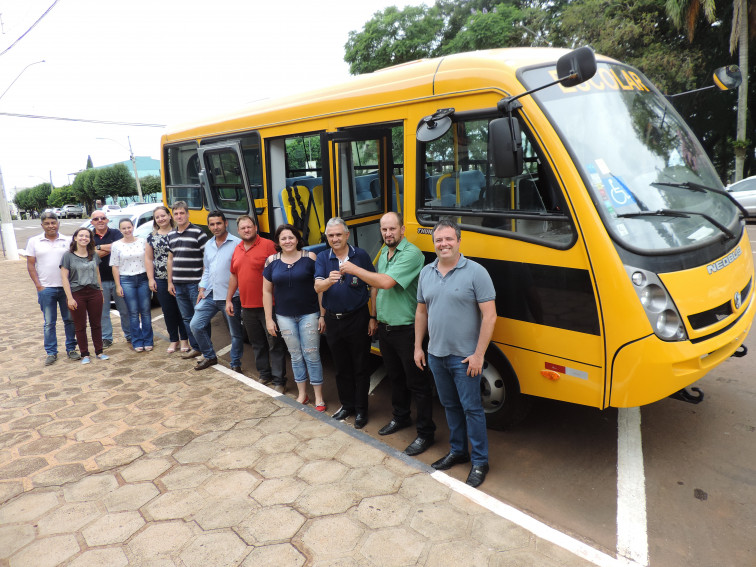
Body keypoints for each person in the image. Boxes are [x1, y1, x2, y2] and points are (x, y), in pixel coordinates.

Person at [340, 212, 435, 454]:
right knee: (396, 378)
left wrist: (353, 269)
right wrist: (373, 317)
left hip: (407, 329)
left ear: (402, 230)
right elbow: (375, 287)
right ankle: (401, 416)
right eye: (384, 230)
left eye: (392, 229)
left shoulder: (412, 254)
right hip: (385, 327)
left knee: (418, 383)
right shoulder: (385, 252)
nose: (388, 234)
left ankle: (426, 433)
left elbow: (385, 283)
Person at [414, 219, 497, 488]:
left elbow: (490, 316)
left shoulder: (476, 272)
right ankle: (458, 451)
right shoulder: (427, 273)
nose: (443, 244)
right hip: (436, 355)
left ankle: (480, 461)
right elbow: (421, 311)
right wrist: (418, 346)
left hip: (465, 359)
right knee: (450, 406)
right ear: (434, 243)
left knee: (472, 409)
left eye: (449, 239)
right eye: (439, 240)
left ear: (459, 241)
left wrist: (478, 354)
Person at [314, 217, 375, 429]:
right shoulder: (323, 257)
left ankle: (361, 410)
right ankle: (347, 405)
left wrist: (373, 317)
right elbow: (317, 288)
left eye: (339, 234)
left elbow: (373, 285)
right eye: (330, 235)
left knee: (360, 366)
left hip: (358, 318)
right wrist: (327, 282)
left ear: (347, 235)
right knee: (341, 367)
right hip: (333, 320)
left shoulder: (361, 256)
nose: (335, 239)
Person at [263, 224, 326, 409]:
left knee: (312, 355)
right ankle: (302, 394)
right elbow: (266, 291)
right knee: (296, 356)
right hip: (284, 317)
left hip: (309, 314)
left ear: (297, 239)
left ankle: (319, 397)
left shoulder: (310, 258)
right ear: (278, 242)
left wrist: (322, 314)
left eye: (291, 237)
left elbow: (320, 288)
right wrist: (269, 319)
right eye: (283, 238)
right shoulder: (271, 261)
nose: (287, 241)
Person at [226, 215, 287, 392]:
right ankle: (264, 374)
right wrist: (229, 299)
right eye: (243, 228)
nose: (246, 230)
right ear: (238, 231)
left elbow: (280, 269)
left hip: (270, 306)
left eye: (249, 227)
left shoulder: (268, 245)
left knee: (275, 344)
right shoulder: (237, 249)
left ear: (255, 228)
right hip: (247, 306)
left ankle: (279, 381)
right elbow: (234, 275)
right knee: (257, 343)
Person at [189, 211, 243, 371]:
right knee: (196, 325)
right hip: (210, 294)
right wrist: (202, 287)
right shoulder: (209, 245)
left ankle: (236, 364)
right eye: (212, 224)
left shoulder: (237, 244)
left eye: (218, 223)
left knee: (235, 333)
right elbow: (207, 269)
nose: (215, 227)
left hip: (231, 296)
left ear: (226, 223)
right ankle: (210, 356)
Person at [25, 211, 79, 365]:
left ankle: (71, 349)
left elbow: (74, 262)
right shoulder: (34, 241)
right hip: (46, 289)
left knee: (69, 320)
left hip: (66, 289)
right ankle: (51, 352)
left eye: (53, 223)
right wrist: (39, 285)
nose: (51, 226)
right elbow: (30, 265)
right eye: (47, 223)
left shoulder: (68, 240)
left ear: (58, 224)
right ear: (42, 225)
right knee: (49, 322)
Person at [60, 227, 110, 364]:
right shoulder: (67, 256)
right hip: (77, 293)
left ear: (90, 239)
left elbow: (98, 274)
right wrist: (69, 298)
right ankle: (85, 354)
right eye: (81, 235)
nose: (84, 238)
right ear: (75, 238)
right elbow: (64, 278)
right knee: (80, 325)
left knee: (96, 324)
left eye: (87, 236)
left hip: (94, 292)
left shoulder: (93, 254)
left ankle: (99, 351)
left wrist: (101, 292)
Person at [166, 201, 208, 359]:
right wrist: (170, 282)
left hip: (195, 284)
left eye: (182, 213)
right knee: (187, 318)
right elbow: (170, 259)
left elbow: (206, 259)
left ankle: (206, 349)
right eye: (176, 214)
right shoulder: (171, 235)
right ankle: (196, 347)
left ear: (188, 214)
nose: (179, 216)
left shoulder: (198, 232)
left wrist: (203, 283)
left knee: (200, 317)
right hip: (178, 284)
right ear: (173, 216)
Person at [146, 206, 190, 353]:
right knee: (168, 311)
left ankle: (185, 339)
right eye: (157, 217)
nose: (161, 219)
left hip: (180, 277)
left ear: (169, 216)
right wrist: (151, 279)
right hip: (161, 278)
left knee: (182, 310)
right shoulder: (151, 237)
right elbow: (148, 258)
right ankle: (173, 340)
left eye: (163, 215)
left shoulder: (179, 233)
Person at [111, 218, 153, 352]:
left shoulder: (142, 241)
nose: (127, 230)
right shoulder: (116, 245)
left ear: (133, 227)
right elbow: (115, 266)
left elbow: (149, 259)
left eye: (129, 227)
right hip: (126, 279)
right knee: (133, 312)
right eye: (124, 228)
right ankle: (137, 341)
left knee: (145, 311)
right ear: (120, 230)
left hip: (143, 278)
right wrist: (118, 285)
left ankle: (148, 340)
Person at [91, 210, 131, 348]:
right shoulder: (88, 235)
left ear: (107, 220)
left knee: (124, 310)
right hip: (99, 281)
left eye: (103, 218)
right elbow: (89, 254)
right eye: (96, 219)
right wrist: (111, 248)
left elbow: (121, 246)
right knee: (103, 312)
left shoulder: (116, 233)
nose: (100, 220)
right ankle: (107, 337)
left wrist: (98, 247)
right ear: (92, 222)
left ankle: (130, 334)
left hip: (119, 279)